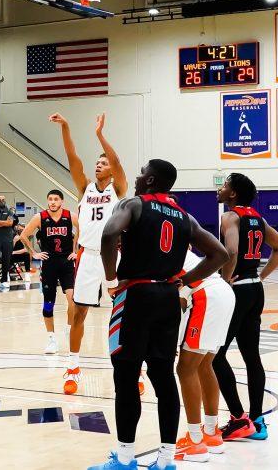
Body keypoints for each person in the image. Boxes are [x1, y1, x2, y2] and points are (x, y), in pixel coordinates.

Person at [88, 160, 228, 470]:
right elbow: (221, 254)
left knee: (126, 377)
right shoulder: (184, 215)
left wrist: (111, 280)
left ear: (150, 180)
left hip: (135, 296)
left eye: (141, 172)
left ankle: (125, 459)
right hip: (168, 299)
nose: (136, 176)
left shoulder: (134, 204)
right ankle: (165, 461)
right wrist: (186, 280)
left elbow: (110, 234)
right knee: (164, 378)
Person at [50, 112, 127, 392]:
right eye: (97, 162)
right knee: (78, 313)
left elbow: (117, 162)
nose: (99, 165)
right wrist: (67, 127)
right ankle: (72, 369)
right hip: (88, 256)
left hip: (114, 257)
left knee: (124, 314)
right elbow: (73, 159)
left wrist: (99, 136)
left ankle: (134, 371)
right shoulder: (85, 188)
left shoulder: (119, 189)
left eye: (103, 162)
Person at [212, 173, 278, 442]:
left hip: (239, 290)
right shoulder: (258, 219)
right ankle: (257, 419)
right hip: (255, 289)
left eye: (224, 186)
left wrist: (224, 281)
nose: (220, 189)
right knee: (251, 356)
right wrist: (261, 276)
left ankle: (238, 418)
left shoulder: (231, 217)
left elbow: (231, 252)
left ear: (233, 194)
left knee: (215, 355)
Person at [172, 248, 236, 461]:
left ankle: (195, 441)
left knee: (185, 368)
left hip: (206, 295)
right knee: (204, 364)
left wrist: (172, 338)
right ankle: (211, 434)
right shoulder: (177, 244)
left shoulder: (157, 250)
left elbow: (178, 303)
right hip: (223, 293)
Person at [18, 190, 73, 356]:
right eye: (50, 199)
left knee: (73, 300)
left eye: (56, 199)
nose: (53, 202)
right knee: (48, 304)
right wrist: (33, 253)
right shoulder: (40, 218)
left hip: (67, 263)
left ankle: (69, 330)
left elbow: (84, 231)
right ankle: (51, 339)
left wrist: (77, 249)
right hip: (49, 265)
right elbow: (23, 235)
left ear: (61, 201)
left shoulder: (71, 216)